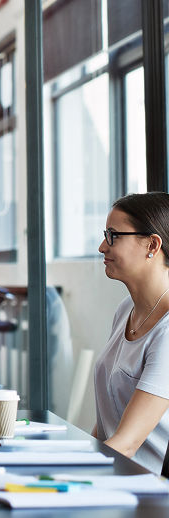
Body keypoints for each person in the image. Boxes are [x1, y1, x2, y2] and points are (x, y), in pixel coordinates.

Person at [94, 192, 169, 474]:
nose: (103, 246)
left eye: (114, 236)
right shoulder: (126, 310)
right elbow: (106, 430)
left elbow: (127, 443)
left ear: (152, 244)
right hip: (114, 476)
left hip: (148, 495)